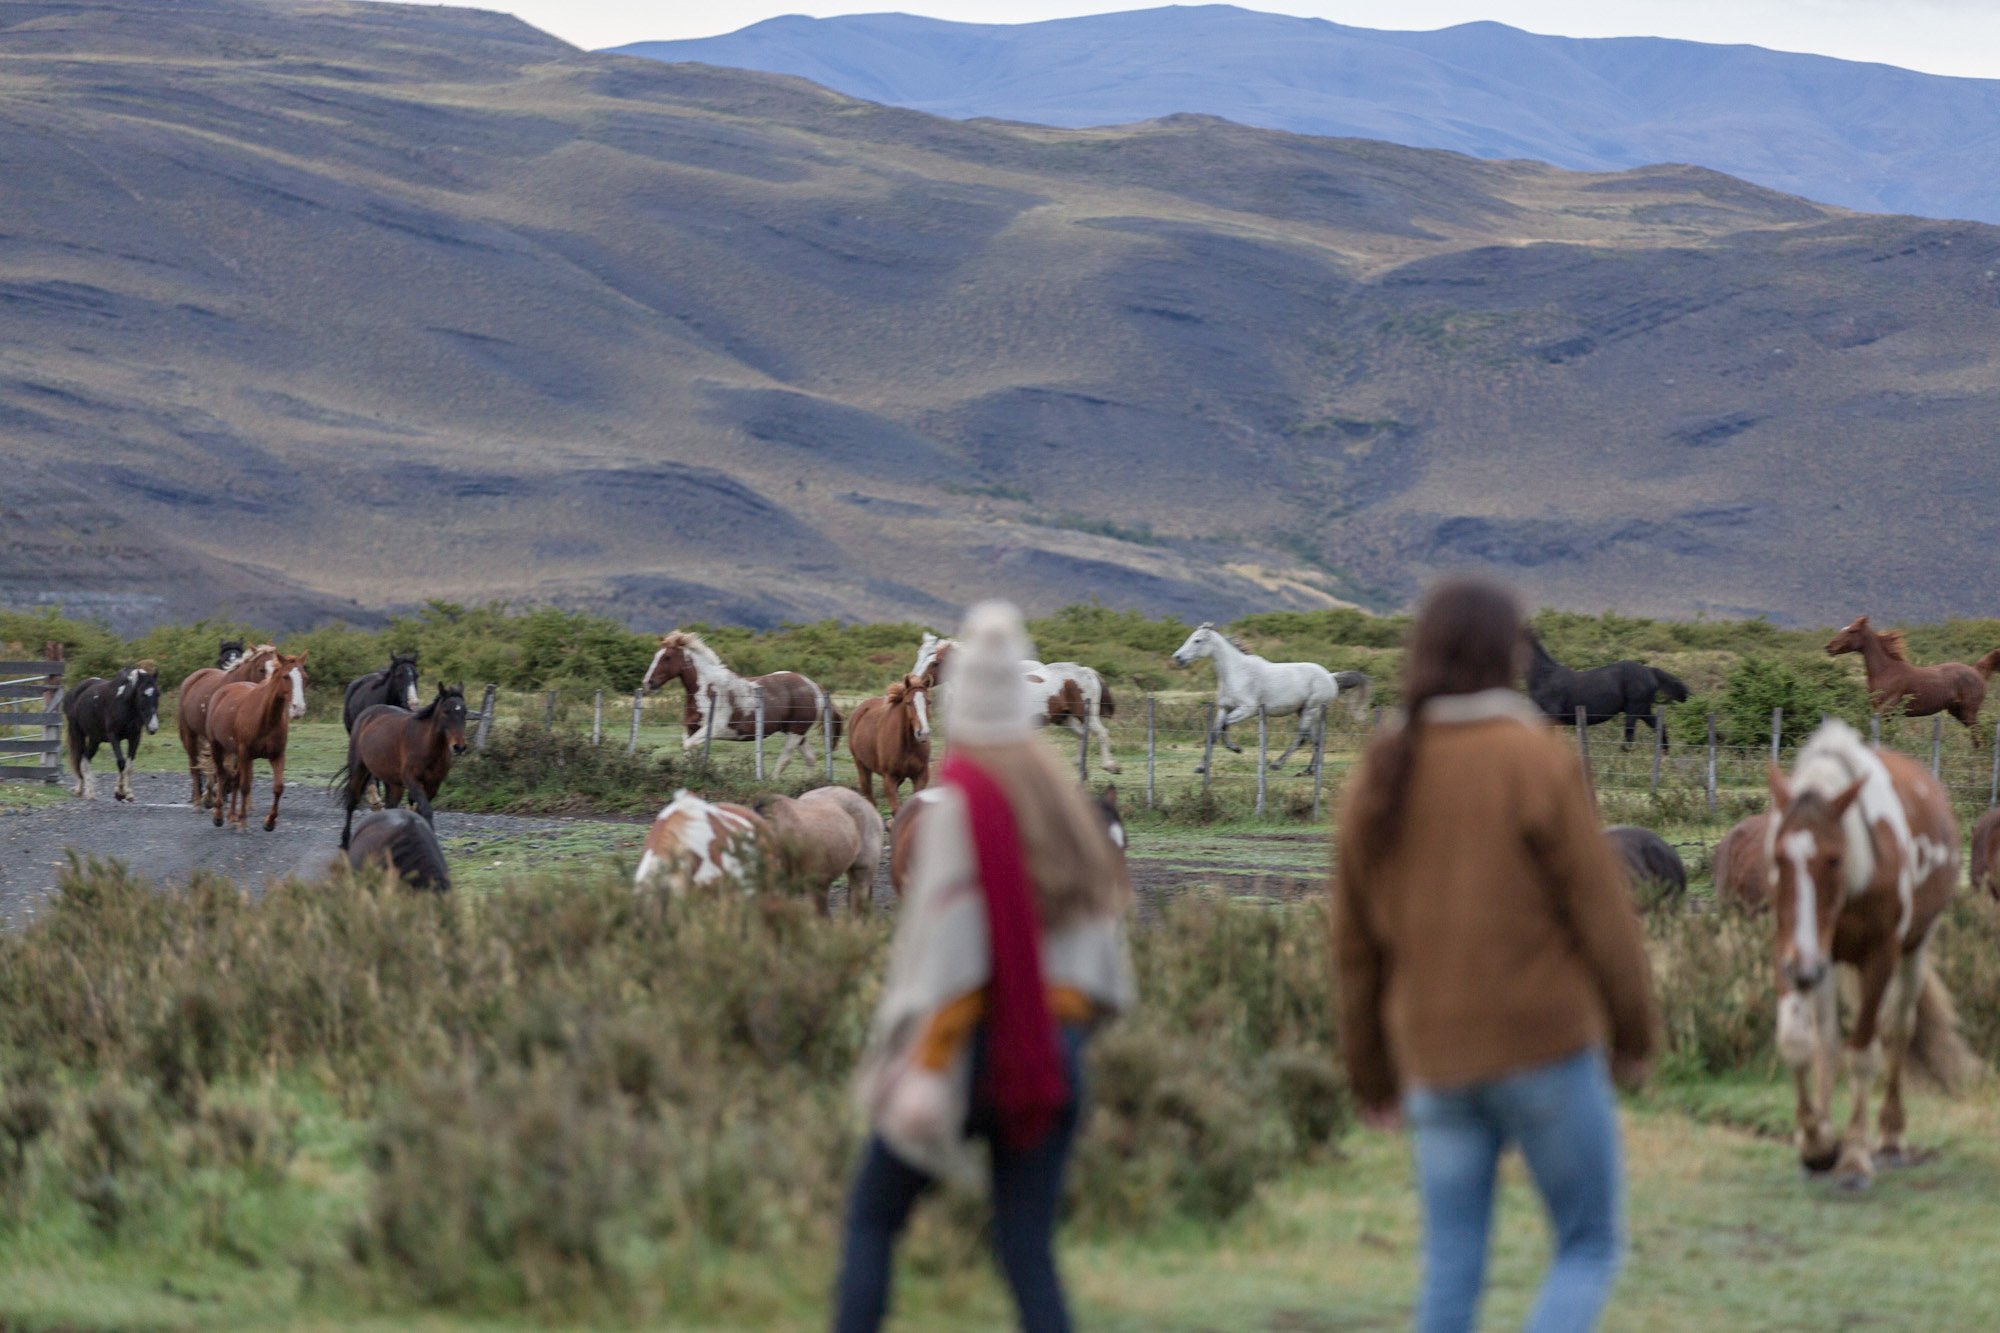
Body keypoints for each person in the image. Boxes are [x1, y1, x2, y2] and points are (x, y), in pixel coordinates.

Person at [1330, 576, 1660, 1333]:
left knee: (1451, 1267)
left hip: (1434, 1060)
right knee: (1586, 1244)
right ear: (1508, 654)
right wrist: (1634, 1034)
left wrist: (1369, 1072)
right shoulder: (1535, 758)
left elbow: (1355, 950)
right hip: (1543, 1044)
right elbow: (1606, 919)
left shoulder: (1381, 770)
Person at [833, 601, 1135, 1333]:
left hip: (966, 1047)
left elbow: (940, 952)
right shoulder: (1068, 808)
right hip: (1055, 1053)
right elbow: (1108, 964)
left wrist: (915, 1061)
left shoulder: (965, 807)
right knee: (1027, 1247)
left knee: (872, 1220)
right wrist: (1063, 1041)